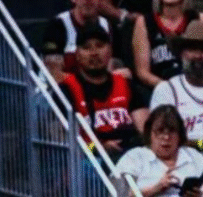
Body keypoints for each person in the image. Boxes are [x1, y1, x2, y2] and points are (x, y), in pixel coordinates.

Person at [58, 23, 147, 159]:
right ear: (77, 55)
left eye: (99, 46)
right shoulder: (66, 89)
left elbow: (146, 132)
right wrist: (99, 148)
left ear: (110, 51)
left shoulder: (126, 84)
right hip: (89, 161)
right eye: (86, 47)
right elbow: (63, 145)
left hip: (131, 157)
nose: (94, 53)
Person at [115, 104, 203, 197]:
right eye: (160, 131)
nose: (166, 137)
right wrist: (156, 189)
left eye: (171, 131)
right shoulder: (134, 157)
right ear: (149, 133)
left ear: (180, 135)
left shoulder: (195, 156)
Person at [149, 21, 203, 146]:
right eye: (192, 49)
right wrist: (201, 143)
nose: (198, 56)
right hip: (183, 155)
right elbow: (161, 140)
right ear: (182, 53)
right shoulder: (167, 90)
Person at [132, 0, 203, 88]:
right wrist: (172, 88)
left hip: (200, 86)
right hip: (163, 89)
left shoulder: (201, 19)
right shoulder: (145, 22)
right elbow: (143, 72)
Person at [42, 0, 113, 83]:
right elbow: (54, 73)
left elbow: (115, 66)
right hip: (58, 88)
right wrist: (87, 83)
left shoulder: (106, 25)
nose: (88, 1)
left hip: (98, 87)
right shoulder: (58, 24)